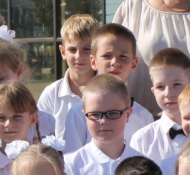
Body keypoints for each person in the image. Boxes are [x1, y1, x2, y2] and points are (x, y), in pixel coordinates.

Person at [64, 75, 143, 175]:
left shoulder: (143, 164)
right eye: (95, 114)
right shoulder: (70, 164)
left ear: (128, 114)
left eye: (113, 114)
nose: (103, 121)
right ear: (84, 116)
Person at [61, 23, 154, 153]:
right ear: (93, 61)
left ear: (134, 64)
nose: (115, 62)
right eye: (107, 56)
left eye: (123, 56)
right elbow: (71, 160)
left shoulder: (144, 117)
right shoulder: (78, 114)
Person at [36, 14, 99, 139]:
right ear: (63, 52)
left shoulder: (110, 91)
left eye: (87, 49)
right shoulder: (51, 94)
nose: (78, 56)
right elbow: (40, 137)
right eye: (72, 50)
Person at [130, 48, 190, 164]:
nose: (168, 93)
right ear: (153, 91)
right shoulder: (142, 140)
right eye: (160, 87)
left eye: (176, 84)